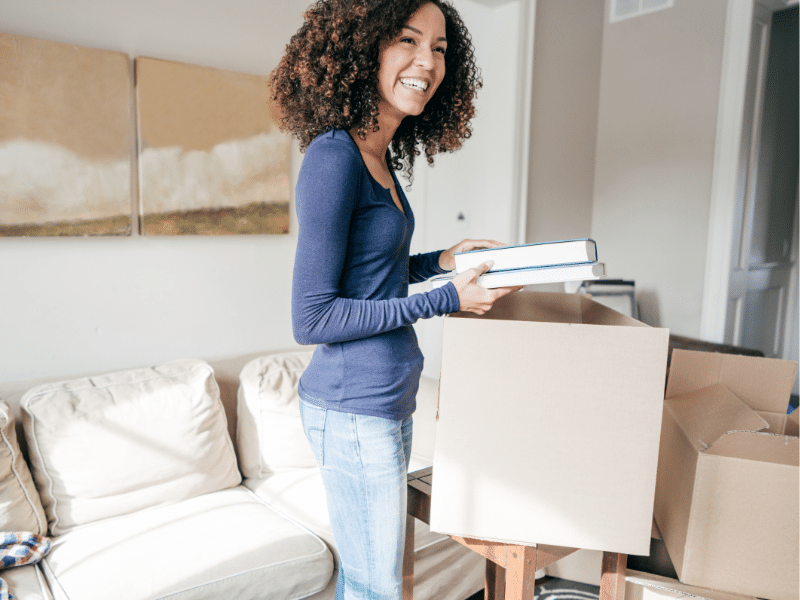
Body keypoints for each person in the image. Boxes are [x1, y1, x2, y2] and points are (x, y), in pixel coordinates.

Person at [270, 0, 520, 597]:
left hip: (386, 400)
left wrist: (442, 261)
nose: (426, 62)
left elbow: (372, 274)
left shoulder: (375, 155)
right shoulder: (334, 157)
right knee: (373, 586)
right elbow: (313, 317)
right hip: (352, 407)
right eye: (408, 41)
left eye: (438, 48)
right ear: (363, 49)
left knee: (381, 581)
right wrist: (444, 298)